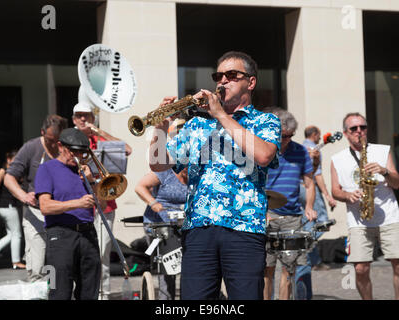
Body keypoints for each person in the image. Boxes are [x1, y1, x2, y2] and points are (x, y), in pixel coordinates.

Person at [149, 51, 281, 300]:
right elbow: (158, 164)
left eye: (232, 75)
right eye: (218, 76)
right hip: (198, 229)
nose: (222, 81)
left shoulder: (265, 121)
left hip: (244, 227)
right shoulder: (197, 125)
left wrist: (221, 114)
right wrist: (161, 127)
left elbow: (264, 155)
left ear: (250, 83)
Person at [330, 112, 399, 300]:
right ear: (346, 133)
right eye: (354, 129)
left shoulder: (382, 151)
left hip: (388, 215)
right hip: (359, 220)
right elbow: (335, 191)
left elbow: (397, 184)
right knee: (361, 268)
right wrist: (348, 195)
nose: (359, 132)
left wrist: (385, 171)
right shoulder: (337, 159)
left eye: (363, 127)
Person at [72, 101, 131, 300]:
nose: (82, 119)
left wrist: (99, 131)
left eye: (86, 116)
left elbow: (128, 149)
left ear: (92, 119)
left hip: (105, 204)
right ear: (73, 119)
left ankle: (103, 295)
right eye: (79, 115)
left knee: (103, 255)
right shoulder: (70, 141)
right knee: (81, 255)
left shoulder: (99, 138)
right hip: (79, 205)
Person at [34, 127, 102, 300]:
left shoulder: (85, 171)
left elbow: (101, 203)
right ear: (60, 146)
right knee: (59, 292)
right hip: (60, 234)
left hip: (88, 233)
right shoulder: (47, 169)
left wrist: (92, 181)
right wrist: (77, 203)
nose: (77, 156)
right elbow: (45, 206)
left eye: (81, 152)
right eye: (73, 151)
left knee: (90, 291)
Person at [4, 114, 68, 281]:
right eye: (50, 140)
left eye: (58, 140)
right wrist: (23, 196)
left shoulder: (67, 148)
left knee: (61, 268)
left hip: (62, 213)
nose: (54, 145)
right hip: (36, 213)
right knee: (37, 267)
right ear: (42, 132)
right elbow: (9, 178)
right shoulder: (31, 148)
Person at [263, 108, 317, 300]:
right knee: (266, 269)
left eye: (290, 136)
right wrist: (263, 211)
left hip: (292, 217)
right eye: (282, 136)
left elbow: (310, 184)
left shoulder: (300, 151)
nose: (286, 139)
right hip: (266, 216)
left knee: (289, 269)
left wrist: (309, 207)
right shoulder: (262, 150)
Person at [295, 126, 337, 300]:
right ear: (314, 135)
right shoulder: (312, 150)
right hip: (308, 187)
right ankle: (306, 244)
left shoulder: (299, 147)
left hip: (298, 188)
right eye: (319, 135)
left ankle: (310, 253)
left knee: (308, 221)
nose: (320, 138)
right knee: (322, 221)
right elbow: (317, 175)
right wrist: (327, 195)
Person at [135, 167, 188, 300]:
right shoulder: (165, 172)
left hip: (184, 226)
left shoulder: (196, 176)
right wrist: (153, 202)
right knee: (167, 269)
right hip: (160, 226)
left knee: (188, 267)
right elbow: (140, 187)